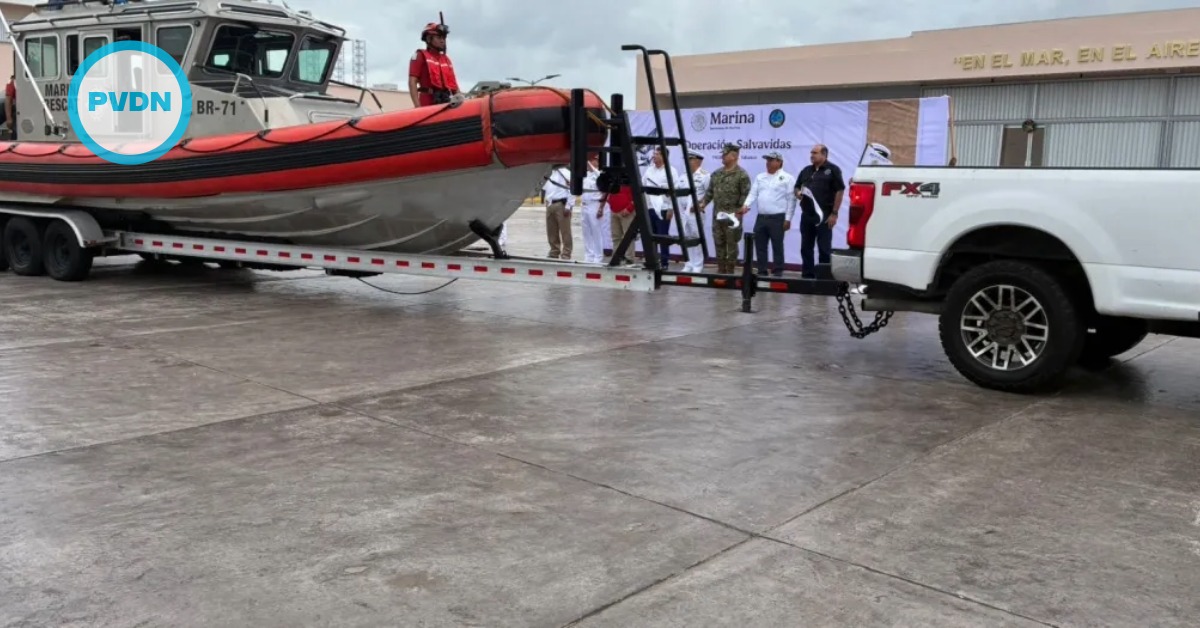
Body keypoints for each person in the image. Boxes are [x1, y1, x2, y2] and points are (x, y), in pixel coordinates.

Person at [793, 144, 845, 279]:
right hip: (807, 215)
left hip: (825, 216)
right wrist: (797, 192)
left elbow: (840, 190)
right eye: (811, 153)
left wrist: (834, 213)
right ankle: (807, 275)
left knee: (824, 248)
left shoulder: (833, 170)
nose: (812, 155)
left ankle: (824, 277)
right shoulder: (806, 170)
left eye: (815, 153)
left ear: (824, 154)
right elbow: (797, 186)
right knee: (806, 247)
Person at [742, 151, 796, 277]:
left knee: (777, 245)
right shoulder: (760, 177)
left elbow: (791, 200)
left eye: (771, 160)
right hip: (761, 217)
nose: (768, 163)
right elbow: (753, 194)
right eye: (767, 160)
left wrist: (788, 218)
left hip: (778, 217)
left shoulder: (788, 178)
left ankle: (778, 270)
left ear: (779, 162)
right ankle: (762, 270)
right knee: (760, 245)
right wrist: (746, 205)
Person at [700, 144, 752, 275]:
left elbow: (745, 196)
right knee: (718, 243)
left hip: (733, 217)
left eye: (725, 154)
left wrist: (740, 213)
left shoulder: (742, 175)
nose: (722, 156)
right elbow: (710, 193)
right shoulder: (717, 174)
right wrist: (702, 204)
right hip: (717, 216)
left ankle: (730, 271)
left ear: (734, 156)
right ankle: (721, 269)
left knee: (732, 245)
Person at [408, 21, 461, 108]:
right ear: (429, 39)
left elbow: (454, 86)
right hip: (427, 103)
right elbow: (412, 82)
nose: (442, 40)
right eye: (439, 37)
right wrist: (417, 107)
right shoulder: (420, 56)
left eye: (444, 38)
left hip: (446, 102)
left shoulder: (446, 60)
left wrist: (461, 101)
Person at [640, 146, 677, 269]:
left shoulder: (671, 171)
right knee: (651, 237)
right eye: (654, 154)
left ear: (664, 156)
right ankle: (652, 261)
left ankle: (664, 262)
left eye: (657, 154)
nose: (654, 156)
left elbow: (674, 191)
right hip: (650, 208)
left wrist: (671, 208)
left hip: (663, 208)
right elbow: (642, 186)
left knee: (662, 236)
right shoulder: (649, 170)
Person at [678, 150, 710, 273]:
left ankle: (698, 264)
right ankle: (688, 263)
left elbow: (709, 194)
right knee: (686, 238)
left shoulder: (705, 175)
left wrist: (700, 205)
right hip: (684, 212)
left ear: (698, 161)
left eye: (690, 159)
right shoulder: (683, 176)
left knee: (696, 238)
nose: (687, 161)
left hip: (696, 213)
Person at [579, 151, 607, 264]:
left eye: (593, 160)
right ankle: (589, 255)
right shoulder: (585, 175)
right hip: (584, 205)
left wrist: (601, 208)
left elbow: (604, 192)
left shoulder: (599, 174)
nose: (591, 162)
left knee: (596, 232)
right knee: (586, 232)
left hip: (594, 205)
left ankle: (598, 256)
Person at [542, 164, 575, 259]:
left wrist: (569, 206)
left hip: (561, 204)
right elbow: (545, 188)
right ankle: (554, 251)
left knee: (565, 231)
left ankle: (566, 253)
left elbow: (572, 190)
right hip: (550, 203)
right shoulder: (549, 173)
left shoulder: (566, 173)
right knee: (551, 231)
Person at [601, 182, 636, 266]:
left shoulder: (630, 179)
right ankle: (616, 257)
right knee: (616, 236)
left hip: (626, 211)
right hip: (614, 211)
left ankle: (629, 258)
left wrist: (629, 208)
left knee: (628, 236)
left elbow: (636, 196)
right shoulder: (615, 180)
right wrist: (610, 201)